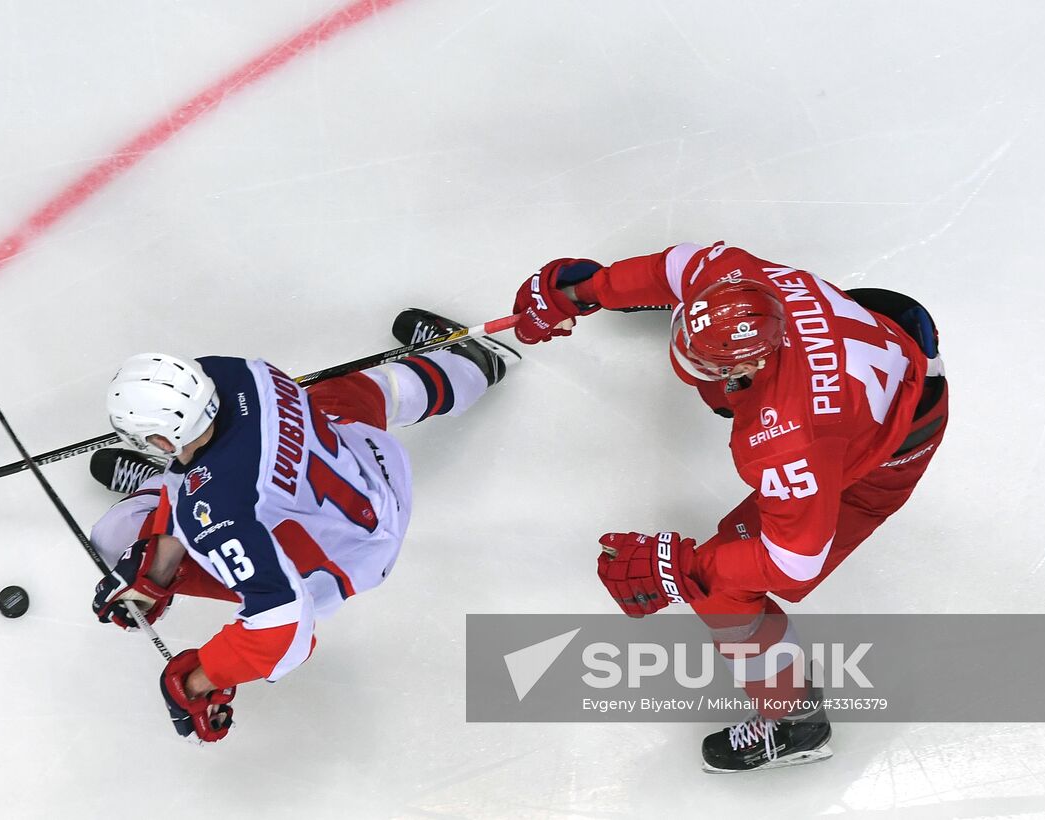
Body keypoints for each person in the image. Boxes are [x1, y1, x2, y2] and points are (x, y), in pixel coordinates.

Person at [510, 242, 948, 772]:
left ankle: (797, 725)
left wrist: (685, 568)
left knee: (723, 588)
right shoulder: (732, 276)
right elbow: (678, 267)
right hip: (878, 347)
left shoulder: (784, 437)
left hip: (886, 452)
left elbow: (794, 563)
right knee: (728, 556)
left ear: (753, 365)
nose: (692, 369)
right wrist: (585, 290)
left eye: (710, 366)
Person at [85, 310, 518, 742]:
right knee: (360, 390)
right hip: (365, 461)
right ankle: (471, 366)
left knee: (115, 537)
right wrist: (156, 571)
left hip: (348, 558)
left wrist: (199, 681)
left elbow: (286, 627)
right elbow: (209, 488)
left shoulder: (216, 510)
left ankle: (155, 484)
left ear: (162, 441)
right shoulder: (232, 373)